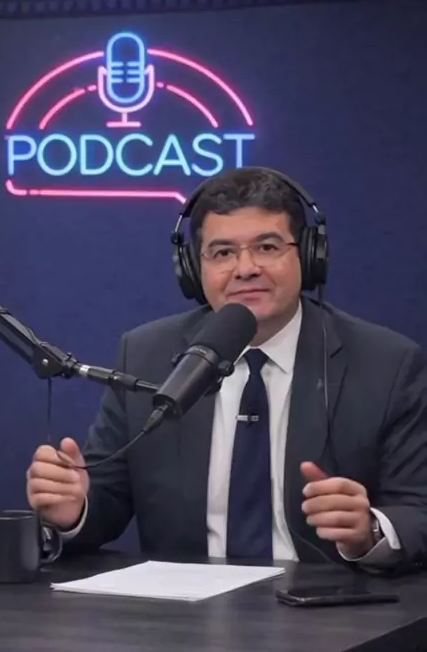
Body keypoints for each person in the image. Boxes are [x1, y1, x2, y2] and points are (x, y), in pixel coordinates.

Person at [27, 166, 427, 575]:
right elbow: (107, 498)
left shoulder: (386, 363)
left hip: (329, 602)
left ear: (309, 255)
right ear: (191, 267)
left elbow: (418, 508)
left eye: (267, 247)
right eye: (222, 253)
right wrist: (75, 509)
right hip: (186, 605)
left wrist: (369, 530)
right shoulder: (146, 354)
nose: (245, 268)